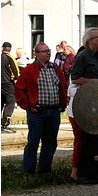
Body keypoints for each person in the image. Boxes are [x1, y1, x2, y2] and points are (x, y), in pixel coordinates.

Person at [13, 41, 68, 175]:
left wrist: (62, 104)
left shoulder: (55, 69)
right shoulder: (29, 70)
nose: (48, 53)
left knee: (50, 142)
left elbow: (63, 86)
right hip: (37, 112)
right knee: (33, 142)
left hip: (53, 111)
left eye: (48, 50)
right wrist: (28, 106)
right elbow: (19, 89)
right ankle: (29, 171)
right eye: (44, 51)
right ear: (36, 54)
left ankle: (45, 170)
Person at [70, 27, 98, 184]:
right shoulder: (83, 56)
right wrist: (96, 82)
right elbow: (75, 78)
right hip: (88, 101)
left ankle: (93, 173)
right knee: (87, 139)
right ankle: (84, 174)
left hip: (97, 101)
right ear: (91, 41)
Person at [1, 42, 20, 132]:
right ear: (10, 49)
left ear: (2, 48)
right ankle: (4, 123)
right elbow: (15, 72)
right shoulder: (10, 58)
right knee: (10, 102)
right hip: (8, 83)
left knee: (0, 103)